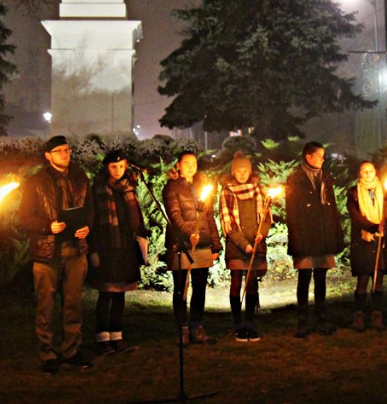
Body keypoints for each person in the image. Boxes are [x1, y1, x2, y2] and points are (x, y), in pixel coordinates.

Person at [17, 135, 93, 373]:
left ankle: (71, 349)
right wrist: (46, 227)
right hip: (47, 251)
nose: (64, 154)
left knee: (73, 303)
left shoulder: (80, 179)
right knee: (46, 304)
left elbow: (90, 209)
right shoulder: (36, 182)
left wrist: (87, 226)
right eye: (59, 151)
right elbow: (24, 216)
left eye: (67, 150)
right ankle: (48, 353)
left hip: (75, 250)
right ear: (48, 155)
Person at [88, 150, 150, 355]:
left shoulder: (128, 188)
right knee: (107, 293)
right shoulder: (99, 189)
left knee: (121, 293)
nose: (118, 170)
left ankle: (117, 335)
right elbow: (94, 221)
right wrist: (94, 249)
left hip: (126, 246)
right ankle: (102, 339)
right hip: (108, 247)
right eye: (114, 167)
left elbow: (135, 218)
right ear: (107, 167)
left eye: (121, 166)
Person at [285, 141, 345, 338]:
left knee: (321, 277)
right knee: (304, 277)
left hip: (323, 234)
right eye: (319, 155)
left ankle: (321, 317)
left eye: (323, 155)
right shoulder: (296, 179)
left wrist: (335, 234)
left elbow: (332, 208)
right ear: (308, 157)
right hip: (306, 234)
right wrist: (296, 239)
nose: (322, 159)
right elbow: (292, 212)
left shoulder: (325, 178)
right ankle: (303, 320)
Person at [163, 150, 222, 345]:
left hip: (202, 243)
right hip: (182, 244)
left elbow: (208, 216)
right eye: (186, 163)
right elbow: (174, 214)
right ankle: (183, 329)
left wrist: (215, 243)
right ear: (178, 165)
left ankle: (197, 326)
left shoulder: (201, 185)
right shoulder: (172, 187)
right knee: (181, 288)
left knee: (199, 288)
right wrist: (189, 232)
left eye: (193, 163)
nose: (190, 166)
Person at [219, 151, 272, 342]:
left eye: (245, 170)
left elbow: (266, 217)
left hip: (255, 244)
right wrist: (244, 244)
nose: (242, 174)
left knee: (251, 285)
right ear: (234, 172)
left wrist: (261, 233)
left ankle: (250, 323)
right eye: (239, 170)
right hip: (237, 246)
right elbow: (229, 223)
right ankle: (238, 324)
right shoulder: (227, 191)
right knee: (236, 284)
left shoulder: (259, 190)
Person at [347, 160, 387, 331]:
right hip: (363, 239)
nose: (367, 173)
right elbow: (354, 215)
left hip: (381, 239)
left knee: (378, 279)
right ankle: (359, 315)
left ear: (375, 172)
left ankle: (377, 315)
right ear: (359, 174)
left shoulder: (384, 190)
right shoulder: (353, 192)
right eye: (363, 171)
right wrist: (371, 226)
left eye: (370, 170)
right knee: (363, 278)